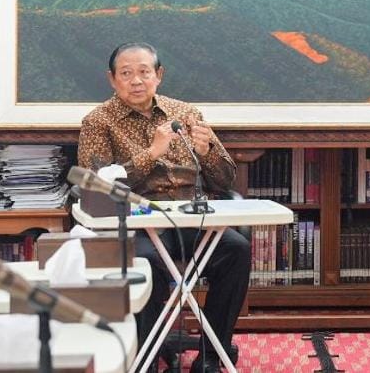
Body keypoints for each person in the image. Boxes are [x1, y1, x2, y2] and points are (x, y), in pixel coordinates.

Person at [78, 42, 250, 373]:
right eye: (126, 73)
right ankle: (147, 357)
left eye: (144, 72)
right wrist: (151, 154)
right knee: (147, 263)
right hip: (137, 223)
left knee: (236, 251)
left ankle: (210, 355)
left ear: (159, 75)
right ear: (112, 79)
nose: (136, 81)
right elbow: (95, 188)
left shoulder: (185, 113)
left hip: (190, 218)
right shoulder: (98, 122)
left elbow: (225, 179)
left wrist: (207, 152)